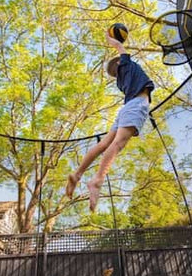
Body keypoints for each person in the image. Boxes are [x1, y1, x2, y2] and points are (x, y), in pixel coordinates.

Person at [66, 30, 155, 211]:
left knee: (104, 144)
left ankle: (77, 174)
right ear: (120, 63)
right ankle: (97, 179)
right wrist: (110, 39)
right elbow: (119, 46)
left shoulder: (121, 81)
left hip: (127, 108)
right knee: (118, 144)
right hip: (136, 105)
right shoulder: (127, 66)